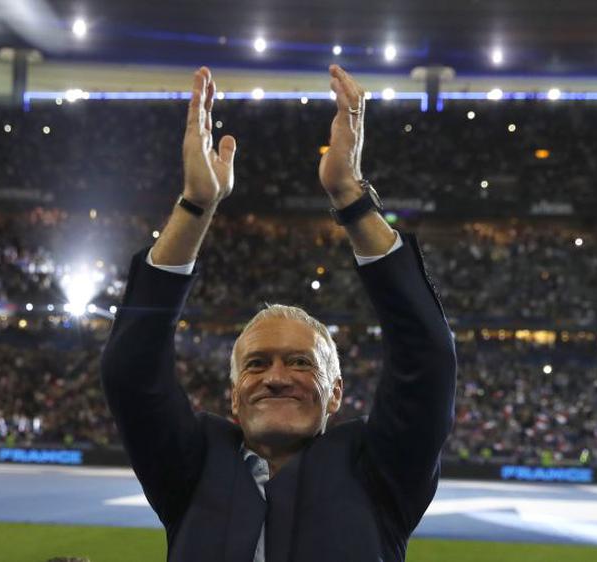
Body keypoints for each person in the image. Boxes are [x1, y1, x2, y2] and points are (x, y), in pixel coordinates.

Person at [100, 65, 456, 562]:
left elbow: (427, 357)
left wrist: (351, 198)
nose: (276, 378)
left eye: (300, 362)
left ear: (335, 393)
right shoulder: (192, 466)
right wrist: (195, 206)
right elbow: (130, 370)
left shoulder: (380, 470)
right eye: (256, 363)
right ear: (233, 396)